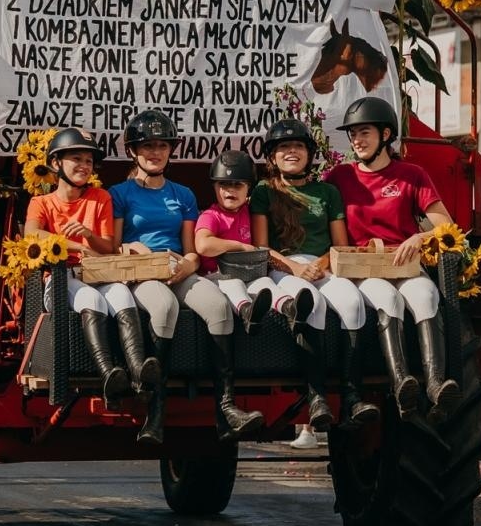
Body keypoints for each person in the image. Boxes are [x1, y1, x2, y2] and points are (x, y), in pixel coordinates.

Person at [325, 97, 459, 424]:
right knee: (388, 298)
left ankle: (435, 385)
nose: (357, 140)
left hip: (405, 264)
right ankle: (401, 384)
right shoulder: (339, 176)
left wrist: (419, 238)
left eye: (364, 132)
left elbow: (445, 224)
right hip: (363, 269)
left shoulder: (412, 174)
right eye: (353, 134)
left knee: (427, 295)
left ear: (386, 135)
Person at [110, 110, 235, 446]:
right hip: (140, 273)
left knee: (218, 305)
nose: (155, 152)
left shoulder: (183, 194)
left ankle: (225, 410)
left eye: (162, 145)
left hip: (177, 269)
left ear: (171, 150)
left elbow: (192, 252)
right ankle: (155, 413)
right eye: (147, 146)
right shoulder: (119, 193)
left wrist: (188, 266)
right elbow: (113, 246)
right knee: (165, 306)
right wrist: (130, 247)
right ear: (132, 151)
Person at [252, 118, 377, 434]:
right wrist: (295, 268)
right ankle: (317, 396)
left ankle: (352, 397)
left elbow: (340, 244)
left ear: (309, 153)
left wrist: (320, 265)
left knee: (353, 302)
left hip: (324, 265)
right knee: (312, 303)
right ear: (273, 156)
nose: (291, 152)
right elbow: (261, 247)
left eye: (298, 146)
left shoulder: (328, 192)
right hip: (282, 267)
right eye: (283, 147)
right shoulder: (264, 191)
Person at [24, 127, 141, 409]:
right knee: (91, 298)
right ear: (56, 163)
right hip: (60, 280)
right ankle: (108, 374)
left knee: (122, 295)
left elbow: (108, 247)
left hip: (96, 273)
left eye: (89, 161)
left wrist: (88, 234)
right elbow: (32, 234)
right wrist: (77, 246)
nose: (84, 166)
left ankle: (138, 373)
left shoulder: (100, 197)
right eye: (76, 159)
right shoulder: (41, 202)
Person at [190, 150, 269, 441]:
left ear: (249, 189)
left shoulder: (251, 213)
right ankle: (248, 312)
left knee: (266, 286)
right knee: (233, 284)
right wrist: (239, 246)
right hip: (216, 278)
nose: (230, 190)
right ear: (214, 188)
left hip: (250, 277)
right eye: (223, 185)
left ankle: (282, 310)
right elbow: (203, 246)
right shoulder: (211, 215)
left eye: (237, 185)